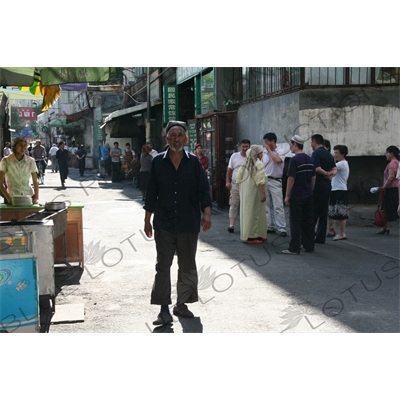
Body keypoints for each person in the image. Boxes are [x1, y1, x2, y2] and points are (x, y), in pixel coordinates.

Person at [144, 120, 212, 326]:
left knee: (187, 265)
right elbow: (151, 193)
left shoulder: (193, 163)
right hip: (164, 223)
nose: (176, 139)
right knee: (163, 266)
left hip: (188, 222)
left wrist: (207, 214)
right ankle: (164, 310)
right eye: (171, 135)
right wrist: (147, 220)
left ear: (186, 138)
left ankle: (181, 304)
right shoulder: (157, 162)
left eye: (179, 135)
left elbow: (203, 189)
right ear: (167, 139)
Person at [282, 135, 316, 255]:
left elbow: (291, 179)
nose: (290, 147)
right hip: (308, 194)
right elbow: (313, 178)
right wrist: (310, 190)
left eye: (291, 145)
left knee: (295, 221)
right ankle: (309, 245)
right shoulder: (310, 159)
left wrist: (287, 195)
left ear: (295, 144)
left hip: (297, 195)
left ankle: (294, 247)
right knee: (308, 221)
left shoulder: (294, 160)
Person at [236, 145, 267, 244]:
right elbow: (260, 180)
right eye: (261, 153)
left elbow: (238, 179)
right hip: (255, 192)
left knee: (247, 214)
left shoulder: (244, 164)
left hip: (246, 193)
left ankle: (251, 234)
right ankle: (252, 236)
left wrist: (241, 192)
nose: (262, 155)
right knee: (256, 213)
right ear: (257, 154)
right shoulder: (258, 164)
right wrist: (263, 193)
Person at [311, 134, 337, 244]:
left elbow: (316, 168)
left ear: (314, 142)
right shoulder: (328, 154)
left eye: (311, 142)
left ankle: (310, 235)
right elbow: (335, 168)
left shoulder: (316, 153)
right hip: (327, 185)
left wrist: (325, 173)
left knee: (314, 211)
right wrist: (331, 174)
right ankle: (321, 237)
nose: (311, 145)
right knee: (323, 211)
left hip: (318, 185)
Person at [262, 132, 287, 237]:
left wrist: (269, 150)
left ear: (272, 141)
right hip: (265, 179)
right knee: (267, 206)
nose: (265, 144)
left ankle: (281, 227)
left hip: (275, 180)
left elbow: (277, 160)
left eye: (267, 142)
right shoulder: (264, 153)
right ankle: (269, 226)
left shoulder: (280, 151)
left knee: (278, 205)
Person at [0, 136, 39, 204]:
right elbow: (0, 183)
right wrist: (8, 198)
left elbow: (35, 182)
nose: (23, 147)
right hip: (12, 198)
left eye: (25, 145)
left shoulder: (31, 161)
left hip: (28, 197)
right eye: (20, 145)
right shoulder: (6, 161)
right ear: (14, 146)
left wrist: (36, 198)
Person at [225, 139, 251, 233]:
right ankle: (231, 225)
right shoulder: (234, 156)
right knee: (234, 203)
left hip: (247, 184)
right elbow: (229, 170)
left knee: (247, 205)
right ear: (240, 147)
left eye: (246, 146)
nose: (245, 148)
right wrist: (227, 182)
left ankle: (246, 224)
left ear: (249, 147)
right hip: (235, 183)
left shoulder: (252, 157)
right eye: (243, 146)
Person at [328, 145, 350, 240]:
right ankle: (339, 232)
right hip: (338, 189)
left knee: (341, 213)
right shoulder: (343, 163)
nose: (335, 155)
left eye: (337, 153)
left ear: (343, 154)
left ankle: (342, 233)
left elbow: (331, 171)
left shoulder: (340, 164)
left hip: (339, 190)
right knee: (337, 212)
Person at [377, 145, 400, 234]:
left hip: (392, 188)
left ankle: (385, 226)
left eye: (387, 153)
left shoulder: (392, 164)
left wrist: (384, 187)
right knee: (387, 207)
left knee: (390, 207)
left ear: (391, 153)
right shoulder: (398, 163)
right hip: (396, 187)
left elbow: (391, 177)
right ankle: (384, 227)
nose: (386, 155)